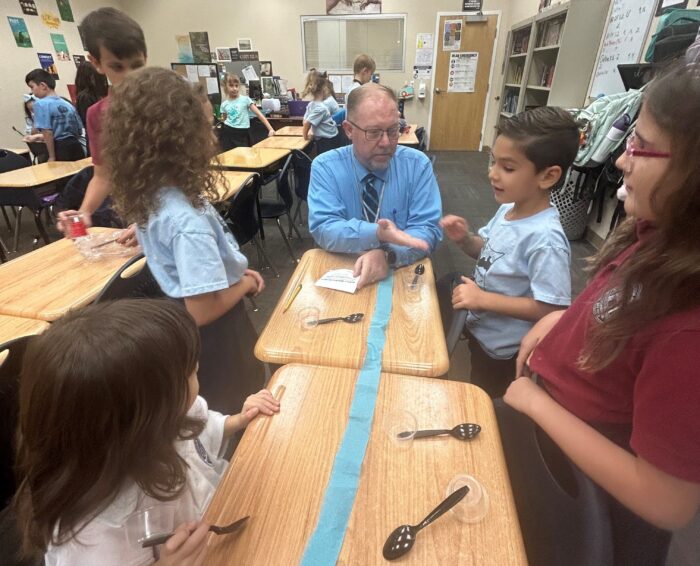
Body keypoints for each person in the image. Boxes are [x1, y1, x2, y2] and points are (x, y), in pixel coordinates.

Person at [503, 63, 700, 565]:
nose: (621, 161)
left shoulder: (687, 326)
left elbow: (668, 502)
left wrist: (535, 403)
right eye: (630, 139)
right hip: (557, 450)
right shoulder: (656, 236)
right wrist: (555, 322)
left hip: (587, 507)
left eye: (642, 146)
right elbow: (609, 304)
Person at [14, 299, 280, 566]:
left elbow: (199, 432)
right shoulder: (94, 536)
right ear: (142, 419)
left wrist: (236, 422)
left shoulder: (168, 419)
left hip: (226, 515)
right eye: (189, 371)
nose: (197, 367)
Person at [102, 67, 266, 417]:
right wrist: (246, 282)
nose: (213, 136)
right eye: (206, 128)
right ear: (180, 141)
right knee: (238, 403)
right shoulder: (185, 222)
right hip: (217, 339)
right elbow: (201, 310)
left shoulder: (156, 196)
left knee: (214, 409)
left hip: (190, 332)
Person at [439, 107, 576, 397]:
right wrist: (466, 240)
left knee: (492, 407)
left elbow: (551, 308)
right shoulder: (507, 210)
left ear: (548, 176)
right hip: (483, 333)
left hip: (507, 351)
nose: (492, 174)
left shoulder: (546, 239)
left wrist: (483, 299)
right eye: (493, 162)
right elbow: (489, 252)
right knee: (477, 385)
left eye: (508, 168)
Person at [308, 83, 441, 289]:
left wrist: (387, 255)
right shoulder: (325, 167)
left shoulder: (417, 165)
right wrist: (377, 234)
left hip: (401, 273)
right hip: (345, 272)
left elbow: (428, 230)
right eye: (374, 132)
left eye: (393, 130)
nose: (386, 142)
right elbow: (324, 228)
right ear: (349, 130)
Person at [56, 7, 147, 246]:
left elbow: (186, 171)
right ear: (95, 63)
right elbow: (103, 175)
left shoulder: (167, 102)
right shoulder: (98, 114)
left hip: (170, 214)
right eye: (117, 67)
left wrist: (155, 219)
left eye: (137, 65)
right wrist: (83, 213)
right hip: (133, 213)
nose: (129, 76)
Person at [24, 69, 84, 162]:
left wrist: (52, 156)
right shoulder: (67, 104)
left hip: (59, 149)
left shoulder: (40, 104)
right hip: (76, 146)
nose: (32, 91)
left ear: (43, 86)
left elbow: (47, 132)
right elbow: (79, 130)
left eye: (32, 87)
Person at [219, 74, 274, 150]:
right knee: (230, 158)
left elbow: (259, 114)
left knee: (245, 156)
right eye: (231, 86)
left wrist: (270, 129)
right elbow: (224, 120)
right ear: (226, 87)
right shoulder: (224, 104)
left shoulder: (245, 100)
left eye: (236, 86)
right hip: (229, 134)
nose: (234, 88)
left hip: (243, 133)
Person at [302, 70, 345, 155]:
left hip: (328, 139)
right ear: (324, 88)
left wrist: (306, 135)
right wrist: (305, 137)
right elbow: (307, 123)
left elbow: (305, 122)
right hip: (327, 140)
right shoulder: (321, 108)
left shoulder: (311, 105)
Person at [74, 61, 109, 156]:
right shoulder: (85, 97)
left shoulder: (99, 94)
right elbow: (93, 123)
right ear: (90, 77)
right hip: (97, 141)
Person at [332, 54, 376, 125]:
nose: (370, 78)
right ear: (365, 71)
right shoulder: (359, 91)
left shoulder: (351, 88)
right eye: (371, 74)